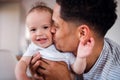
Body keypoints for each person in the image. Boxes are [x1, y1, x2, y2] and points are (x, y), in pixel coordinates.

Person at [30, 0, 120, 80]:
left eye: (56, 25)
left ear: (82, 33)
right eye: (51, 23)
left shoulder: (115, 74)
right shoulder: (56, 50)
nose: (51, 30)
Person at [15, 2, 93, 80]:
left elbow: (78, 70)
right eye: (33, 29)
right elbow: (22, 63)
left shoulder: (63, 48)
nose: (39, 33)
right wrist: (22, 76)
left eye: (45, 27)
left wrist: (81, 57)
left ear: (53, 27)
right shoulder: (33, 47)